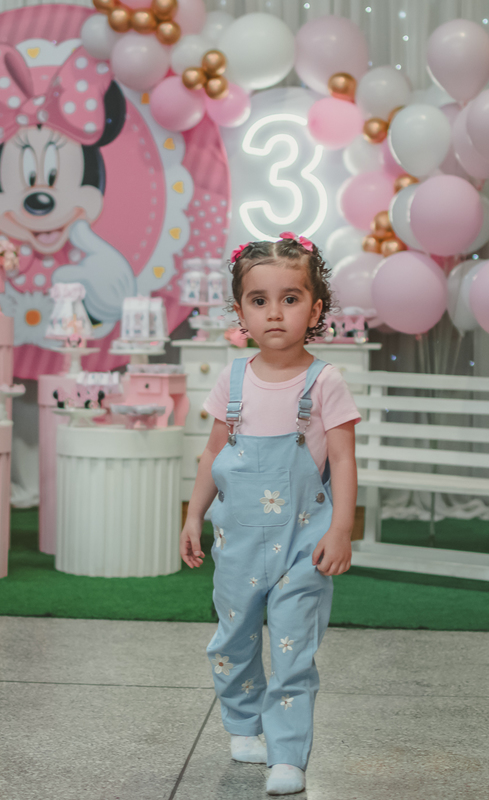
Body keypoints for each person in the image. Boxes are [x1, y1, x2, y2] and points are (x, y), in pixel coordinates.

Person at [178, 232, 361, 795]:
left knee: (291, 648)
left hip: (303, 544)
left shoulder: (324, 382)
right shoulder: (232, 382)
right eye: (259, 301)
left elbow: (343, 459)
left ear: (316, 309)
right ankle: (242, 724)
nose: (275, 312)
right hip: (238, 545)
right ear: (240, 312)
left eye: (290, 298)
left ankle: (288, 754)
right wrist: (192, 516)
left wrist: (342, 530)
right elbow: (212, 454)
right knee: (232, 639)